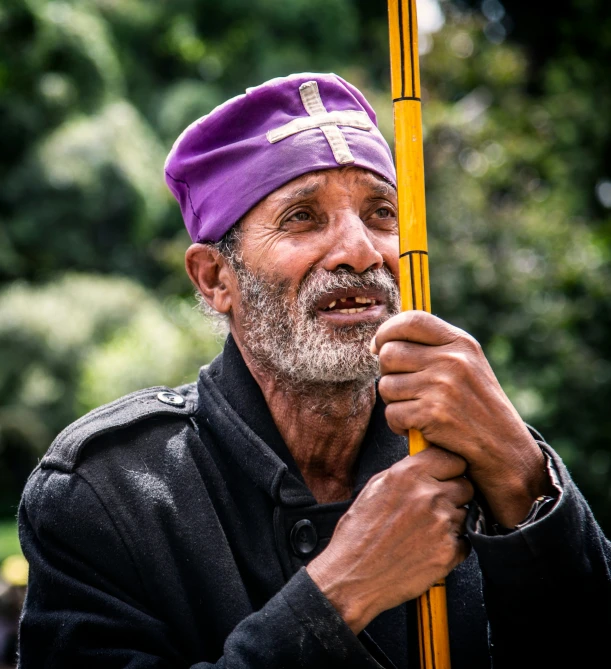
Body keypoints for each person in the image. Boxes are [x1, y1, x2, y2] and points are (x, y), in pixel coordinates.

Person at [17, 73, 611, 669]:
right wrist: (342, 592)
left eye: (382, 213)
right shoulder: (104, 492)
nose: (361, 250)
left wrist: (524, 475)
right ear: (215, 279)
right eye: (302, 217)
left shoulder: (478, 448)